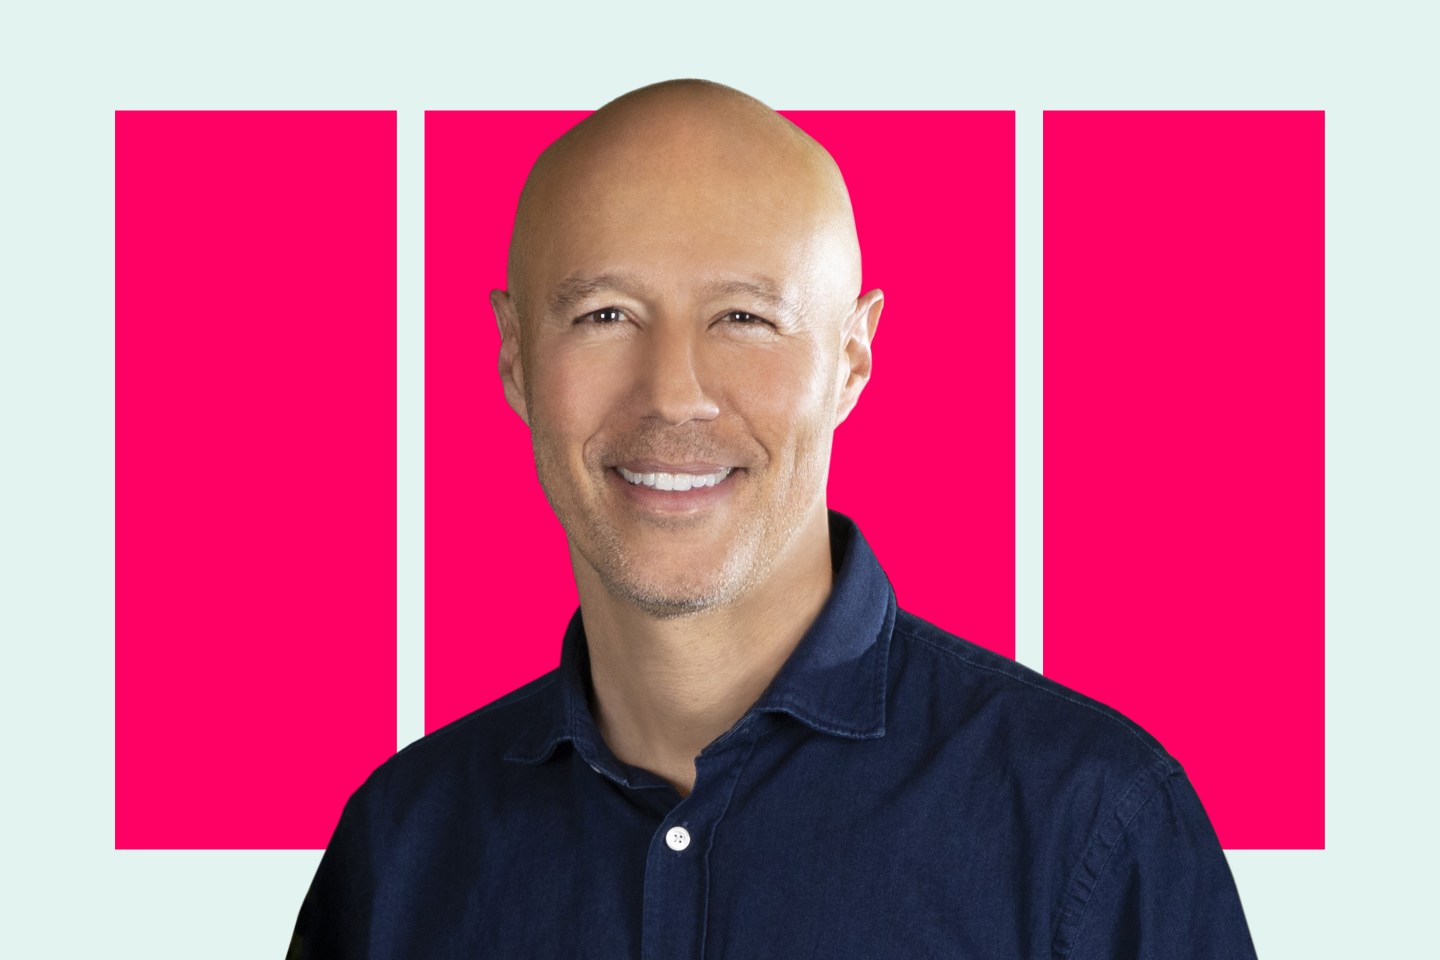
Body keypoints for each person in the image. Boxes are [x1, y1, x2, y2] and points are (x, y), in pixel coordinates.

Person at [289, 79, 1257, 959]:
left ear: (851, 360)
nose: (674, 394)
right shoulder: (399, 848)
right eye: (605, 315)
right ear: (513, 358)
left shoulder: (1087, 824)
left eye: (745, 319)